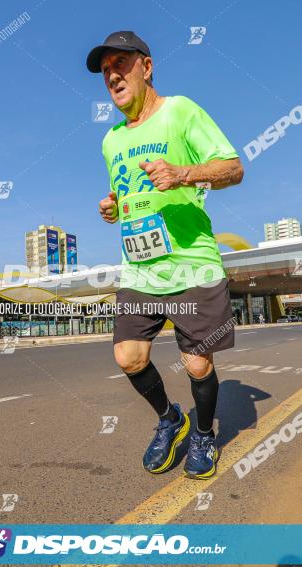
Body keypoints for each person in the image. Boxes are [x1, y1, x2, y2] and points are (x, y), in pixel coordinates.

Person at [88, 31, 244, 479]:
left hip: (192, 262)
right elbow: (130, 191)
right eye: (105, 72)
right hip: (140, 268)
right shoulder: (111, 140)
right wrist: (113, 205)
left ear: (146, 67)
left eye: (120, 64)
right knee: (129, 357)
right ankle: (169, 418)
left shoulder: (181, 111)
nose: (113, 75)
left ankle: (205, 433)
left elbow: (232, 167)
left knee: (198, 363)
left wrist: (184, 174)